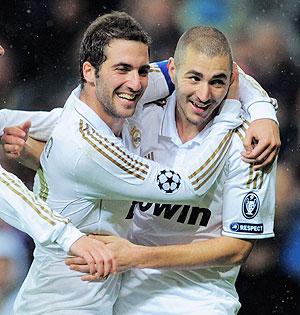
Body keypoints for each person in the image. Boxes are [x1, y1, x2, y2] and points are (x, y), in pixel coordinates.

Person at [0, 12, 278, 315]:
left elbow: (237, 248)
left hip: (195, 301)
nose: (204, 94)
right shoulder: (134, 117)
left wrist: (263, 109)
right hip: (100, 297)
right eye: (194, 78)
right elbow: (183, 185)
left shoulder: (250, 142)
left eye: (218, 82)